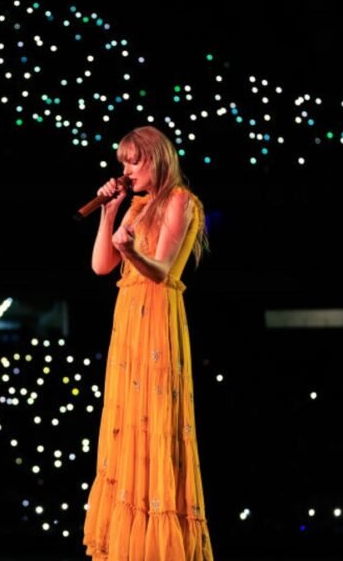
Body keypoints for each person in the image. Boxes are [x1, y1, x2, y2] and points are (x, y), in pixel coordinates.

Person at [82, 125, 214, 560]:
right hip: (129, 324)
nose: (127, 170)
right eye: (123, 163)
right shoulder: (136, 206)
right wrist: (109, 213)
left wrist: (132, 252)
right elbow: (101, 265)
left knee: (156, 423)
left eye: (133, 162)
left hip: (158, 320)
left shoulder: (180, 201)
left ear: (157, 158)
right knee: (127, 426)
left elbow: (162, 270)